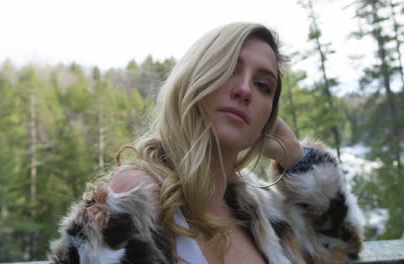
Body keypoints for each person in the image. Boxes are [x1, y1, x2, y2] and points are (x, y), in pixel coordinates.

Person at [48, 22, 364, 264]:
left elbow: (341, 254)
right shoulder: (134, 199)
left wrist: (299, 161)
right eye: (229, 69)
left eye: (263, 85)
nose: (245, 90)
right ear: (194, 80)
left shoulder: (261, 209)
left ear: (268, 115)